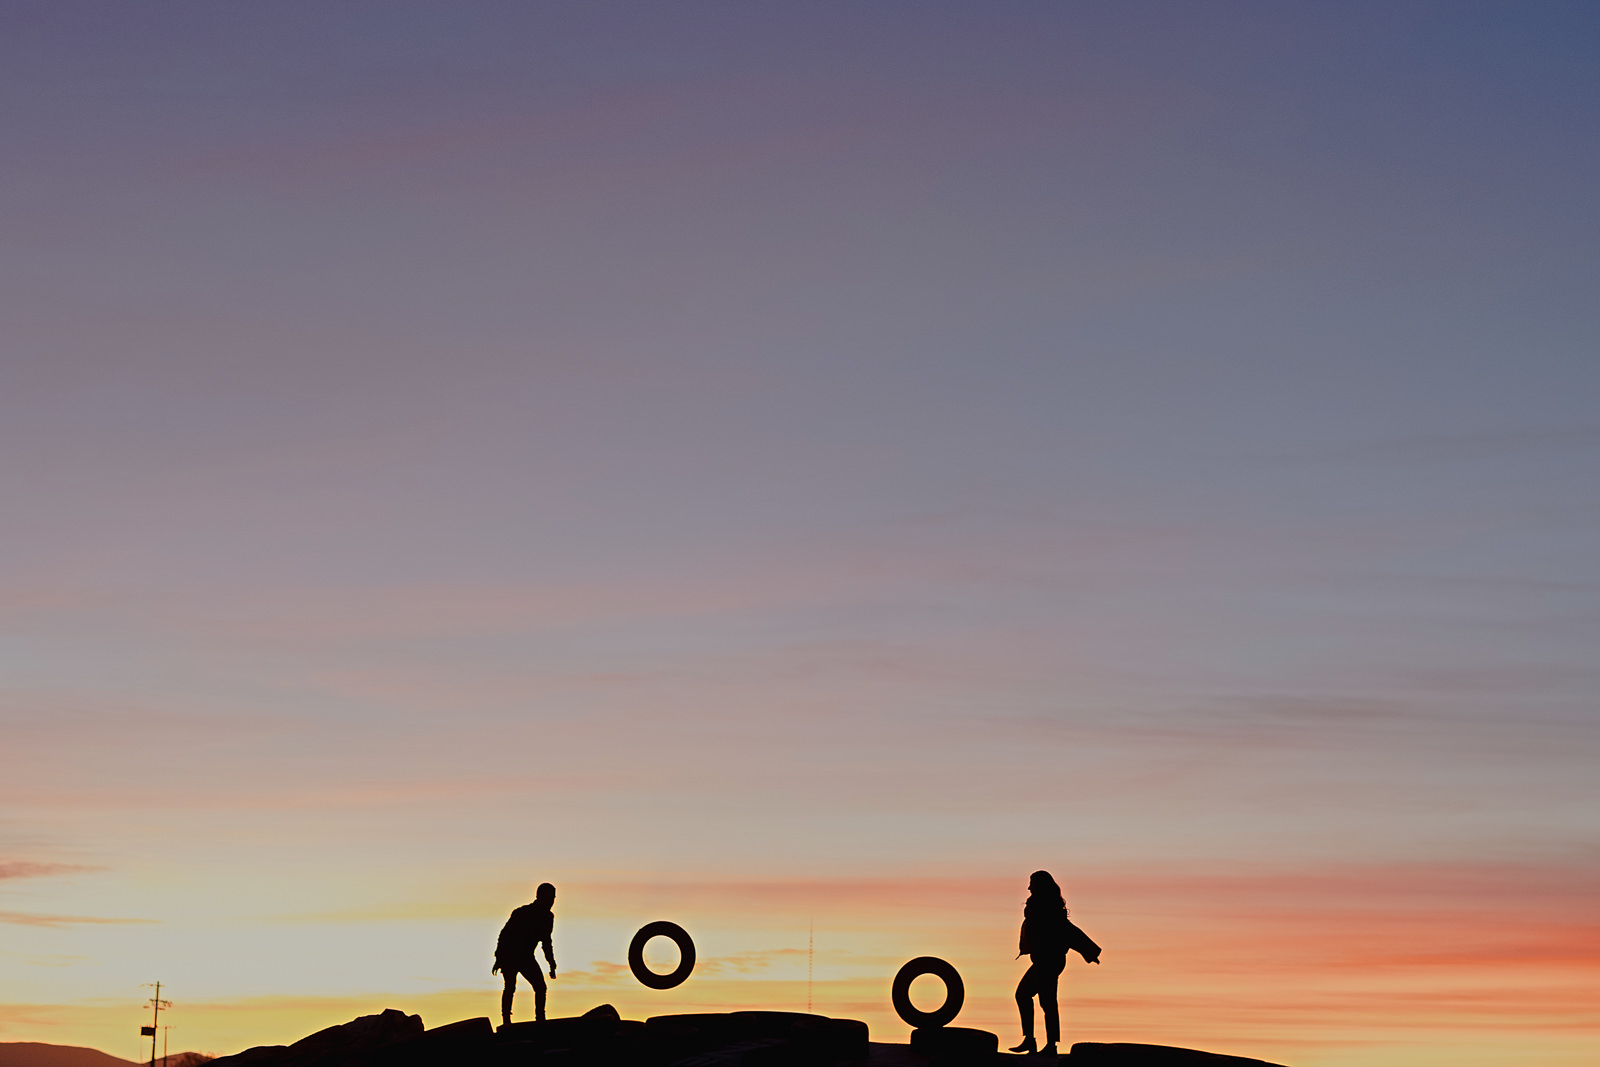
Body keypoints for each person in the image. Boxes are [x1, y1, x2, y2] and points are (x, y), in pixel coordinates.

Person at [1010, 870, 1099, 1055]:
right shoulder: (1036, 906)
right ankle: (1030, 1041)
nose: (1028, 887)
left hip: (1050, 960)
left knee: (1047, 1001)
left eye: (1032, 883)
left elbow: (1068, 931)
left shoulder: (1049, 908)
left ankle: (1051, 1045)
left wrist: (1089, 951)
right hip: (1042, 960)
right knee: (1023, 995)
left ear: (1040, 886)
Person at [493, 882, 558, 1026]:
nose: (551, 902)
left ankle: (540, 1019)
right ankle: (506, 1021)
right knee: (510, 986)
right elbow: (504, 935)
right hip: (510, 955)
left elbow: (546, 942)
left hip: (527, 957)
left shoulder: (548, 918)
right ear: (539, 897)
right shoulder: (522, 913)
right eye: (548, 898)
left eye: (553, 898)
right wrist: (499, 958)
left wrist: (551, 963)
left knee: (541, 987)